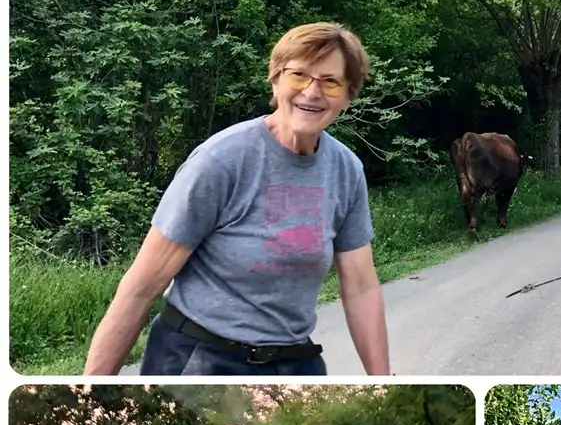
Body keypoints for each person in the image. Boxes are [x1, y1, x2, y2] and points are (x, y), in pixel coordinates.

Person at [83, 21, 390, 377]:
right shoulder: (222, 160)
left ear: (349, 96)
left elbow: (361, 287)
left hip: (293, 361)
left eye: (331, 81)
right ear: (275, 80)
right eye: (298, 76)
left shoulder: (346, 170)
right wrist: (93, 388)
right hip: (198, 358)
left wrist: (381, 379)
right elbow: (141, 287)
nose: (312, 92)